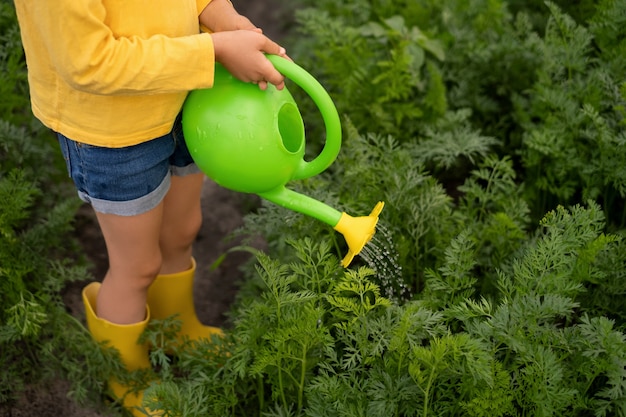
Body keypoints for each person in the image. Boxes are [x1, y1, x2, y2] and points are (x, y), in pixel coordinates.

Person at [13, 0, 289, 415]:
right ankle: (126, 374)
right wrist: (214, 51)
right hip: (113, 132)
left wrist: (223, 18)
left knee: (181, 231)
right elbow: (89, 63)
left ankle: (175, 331)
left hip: (183, 95)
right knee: (136, 266)